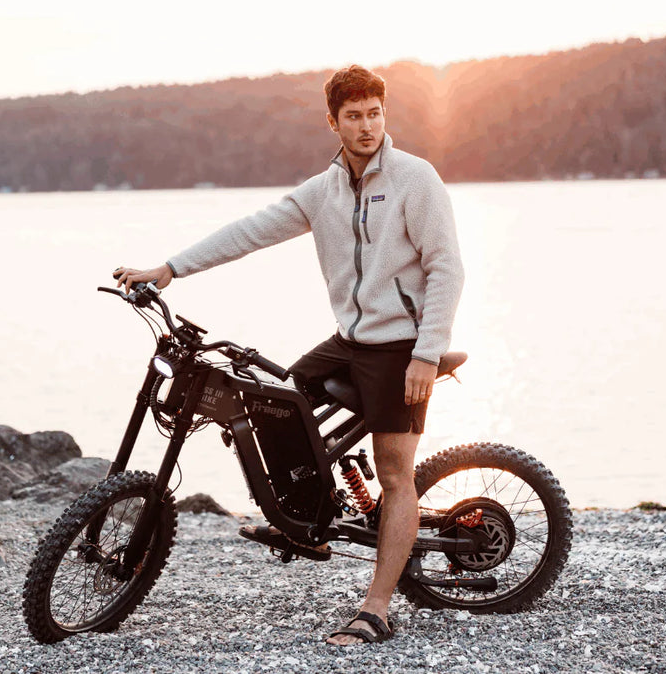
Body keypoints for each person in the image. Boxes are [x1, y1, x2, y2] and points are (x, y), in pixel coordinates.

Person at [114, 64, 464, 646]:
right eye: (353, 116)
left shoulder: (414, 178)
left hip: (402, 344)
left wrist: (426, 354)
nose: (367, 126)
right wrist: (170, 269)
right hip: (349, 340)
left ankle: (377, 609)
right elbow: (250, 231)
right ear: (333, 122)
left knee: (395, 475)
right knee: (274, 406)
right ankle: (309, 522)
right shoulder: (323, 190)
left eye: (375, 113)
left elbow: (447, 268)